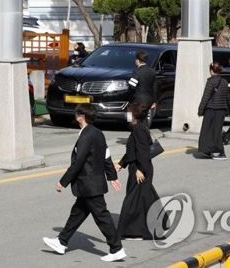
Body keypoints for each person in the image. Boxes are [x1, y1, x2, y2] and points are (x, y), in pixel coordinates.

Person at [43, 104, 126, 262]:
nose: (75, 115)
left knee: (102, 216)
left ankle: (117, 249)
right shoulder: (97, 133)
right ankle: (62, 241)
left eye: (77, 113)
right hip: (90, 184)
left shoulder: (86, 135)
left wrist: (63, 181)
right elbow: (106, 156)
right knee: (77, 214)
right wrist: (112, 176)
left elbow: (78, 162)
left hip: (89, 184)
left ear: (81, 116)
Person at [116, 102, 160, 240]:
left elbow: (142, 152)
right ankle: (157, 226)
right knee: (145, 197)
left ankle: (133, 231)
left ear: (134, 114)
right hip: (138, 166)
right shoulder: (138, 127)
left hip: (140, 168)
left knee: (133, 200)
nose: (127, 115)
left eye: (129, 112)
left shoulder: (139, 129)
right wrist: (122, 164)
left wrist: (140, 169)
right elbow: (132, 151)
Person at [197, 62, 230, 160]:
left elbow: (205, 97)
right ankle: (209, 151)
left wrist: (200, 110)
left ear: (211, 71)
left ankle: (221, 153)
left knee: (207, 131)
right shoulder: (224, 82)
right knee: (217, 131)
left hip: (211, 109)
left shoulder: (210, 81)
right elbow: (228, 97)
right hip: (221, 109)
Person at [128, 50, 157, 124]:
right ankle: (144, 128)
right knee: (144, 117)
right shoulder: (152, 72)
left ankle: (132, 128)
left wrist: (130, 97)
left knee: (129, 114)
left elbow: (131, 86)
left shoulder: (137, 72)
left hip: (138, 100)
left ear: (138, 61)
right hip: (149, 100)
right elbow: (155, 87)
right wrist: (154, 101)